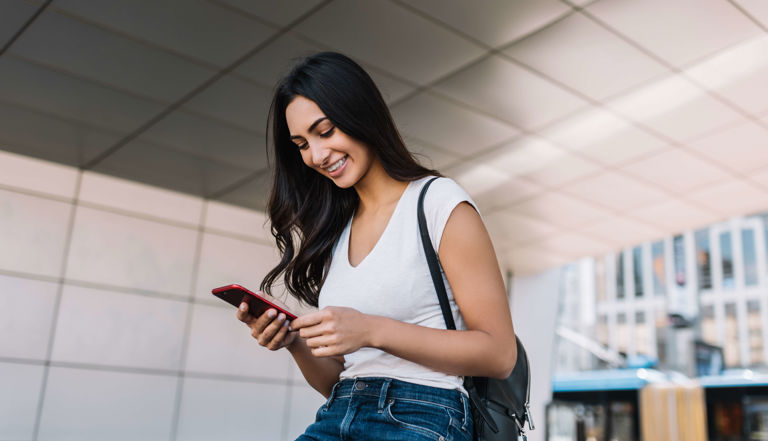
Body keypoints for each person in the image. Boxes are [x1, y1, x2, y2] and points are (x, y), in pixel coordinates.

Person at [236, 52, 517, 441]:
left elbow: (499, 355)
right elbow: (342, 379)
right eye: (301, 144)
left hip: (424, 416)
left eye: (326, 130)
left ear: (361, 115)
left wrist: (371, 329)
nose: (316, 156)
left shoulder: (437, 202)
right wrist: (295, 343)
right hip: (340, 414)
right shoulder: (336, 230)